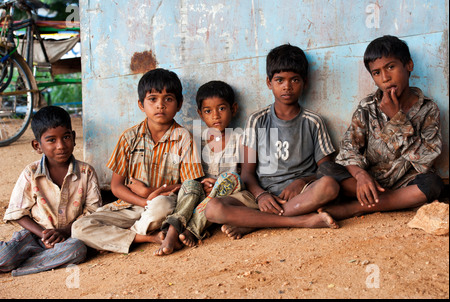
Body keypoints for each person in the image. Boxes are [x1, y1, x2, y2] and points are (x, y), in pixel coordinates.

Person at [204, 44, 340, 240]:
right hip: (261, 195)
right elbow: (247, 173)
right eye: (279, 80)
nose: (287, 86)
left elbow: (326, 169)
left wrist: (301, 181)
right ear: (269, 82)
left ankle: (254, 223)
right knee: (213, 208)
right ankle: (300, 220)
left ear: (305, 82)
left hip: (300, 195)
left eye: (294, 80)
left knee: (329, 186)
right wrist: (261, 196)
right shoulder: (257, 120)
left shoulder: (313, 122)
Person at [72, 68, 204, 254]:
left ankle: (117, 238)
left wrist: (151, 193)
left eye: (168, 99)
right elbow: (117, 187)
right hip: (129, 206)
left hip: (163, 207)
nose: (160, 105)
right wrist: (143, 201)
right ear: (141, 104)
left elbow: (189, 185)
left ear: (179, 104)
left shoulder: (184, 138)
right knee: (78, 227)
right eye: (153, 99)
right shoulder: (129, 138)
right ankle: (149, 237)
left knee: (161, 206)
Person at [317, 35, 444, 220]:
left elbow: (426, 160)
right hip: (369, 181)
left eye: (391, 67)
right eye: (376, 73)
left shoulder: (428, 109)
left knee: (433, 184)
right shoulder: (367, 107)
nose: (385, 78)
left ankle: (356, 207)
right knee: (326, 170)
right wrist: (360, 175)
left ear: (408, 65)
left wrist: (396, 118)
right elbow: (348, 149)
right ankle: (391, 202)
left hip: (406, 182)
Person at [0, 106, 102, 276]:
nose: (61, 145)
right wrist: (44, 235)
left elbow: (93, 212)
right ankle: (40, 258)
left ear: (74, 138)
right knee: (5, 256)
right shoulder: (31, 173)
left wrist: (63, 232)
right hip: (34, 235)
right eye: (51, 140)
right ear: (37, 145)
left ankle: (24, 267)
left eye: (66, 137)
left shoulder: (87, 172)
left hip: (69, 237)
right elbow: (18, 212)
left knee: (76, 250)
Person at [155, 80, 243, 255]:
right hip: (203, 194)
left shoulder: (241, 140)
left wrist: (218, 184)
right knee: (189, 184)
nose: (216, 116)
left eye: (222, 109)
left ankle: (193, 230)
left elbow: (244, 176)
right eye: (208, 111)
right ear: (200, 114)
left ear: (233, 109)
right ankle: (173, 230)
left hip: (228, 195)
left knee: (229, 179)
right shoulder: (196, 141)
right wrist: (203, 182)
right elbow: (191, 175)